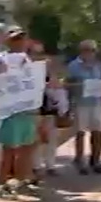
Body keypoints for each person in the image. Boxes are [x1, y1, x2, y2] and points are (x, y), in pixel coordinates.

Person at [0, 27, 39, 194]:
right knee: (9, 149)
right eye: (16, 39)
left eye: (22, 39)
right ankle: (2, 183)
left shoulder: (28, 59)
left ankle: (21, 180)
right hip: (11, 111)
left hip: (27, 110)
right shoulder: (3, 59)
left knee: (27, 146)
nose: (20, 42)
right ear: (9, 41)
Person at [66, 40, 101, 174]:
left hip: (96, 102)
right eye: (89, 50)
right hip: (81, 103)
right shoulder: (74, 65)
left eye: (93, 50)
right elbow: (67, 84)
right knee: (80, 132)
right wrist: (79, 87)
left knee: (98, 131)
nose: (92, 53)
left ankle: (96, 160)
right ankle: (79, 160)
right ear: (82, 51)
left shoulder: (97, 65)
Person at [29, 41, 60, 180]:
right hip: (33, 108)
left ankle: (50, 165)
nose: (38, 56)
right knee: (36, 138)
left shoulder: (46, 68)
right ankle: (36, 166)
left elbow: (55, 84)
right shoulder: (26, 68)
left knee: (51, 137)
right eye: (35, 53)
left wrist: (51, 73)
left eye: (41, 53)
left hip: (48, 106)